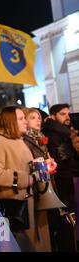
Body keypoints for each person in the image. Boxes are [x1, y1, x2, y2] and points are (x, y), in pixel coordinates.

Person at [0, 106, 51, 251]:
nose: (25, 121)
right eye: (20, 119)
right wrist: (25, 179)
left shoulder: (19, 141)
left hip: (31, 203)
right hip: (15, 208)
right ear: (10, 122)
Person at [42, 104, 78, 251]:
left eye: (68, 114)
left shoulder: (65, 132)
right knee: (67, 225)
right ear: (53, 116)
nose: (67, 117)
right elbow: (64, 161)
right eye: (63, 114)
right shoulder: (54, 134)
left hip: (70, 181)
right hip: (64, 184)